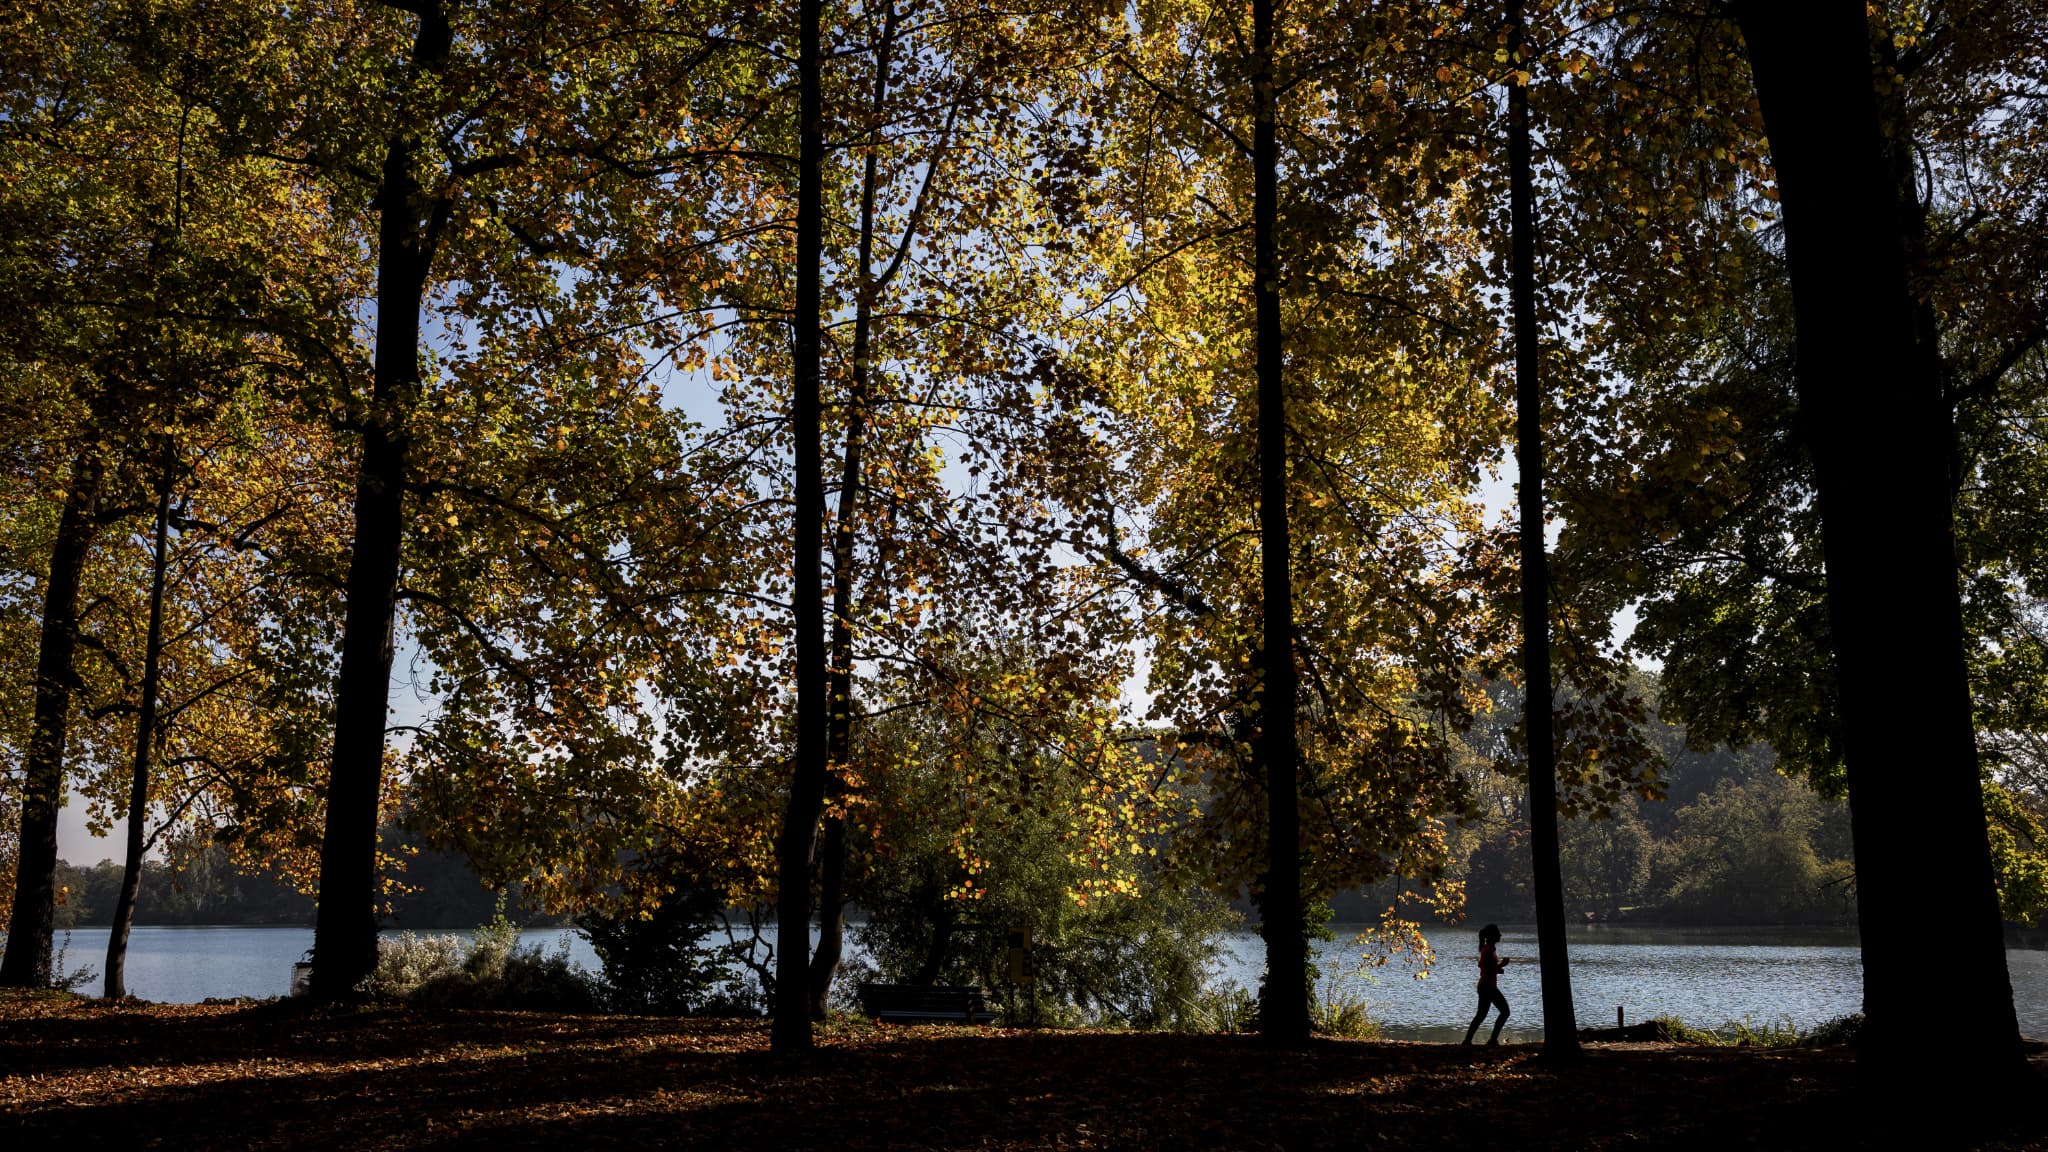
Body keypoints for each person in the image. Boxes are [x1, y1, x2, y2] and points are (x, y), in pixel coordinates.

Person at [1461, 923, 1511, 1046]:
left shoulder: (1490, 949)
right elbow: (1488, 969)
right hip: (1487, 987)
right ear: (1492, 936)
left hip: (1487, 986)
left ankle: (1468, 1041)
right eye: (1498, 933)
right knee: (1504, 1012)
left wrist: (1499, 969)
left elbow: (1487, 968)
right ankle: (1491, 1040)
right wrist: (1501, 965)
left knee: (1481, 1015)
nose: (1500, 935)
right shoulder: (1488, 950)